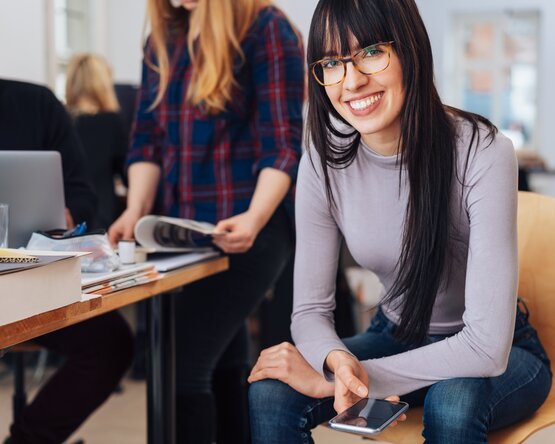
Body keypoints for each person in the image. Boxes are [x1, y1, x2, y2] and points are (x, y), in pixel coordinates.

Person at [247, 1, 552, 443]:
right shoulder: (323, 158)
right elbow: (310, 311)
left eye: (371, 52)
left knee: (454, 401)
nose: (351, 82)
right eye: (332, 62)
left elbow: (485, 347)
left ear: (410, 49)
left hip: (501, 351)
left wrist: (350, 381)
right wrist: (336, 361)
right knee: (272, 393)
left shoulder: (483, 151)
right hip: (396, 333)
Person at [107, 0, 304, 442]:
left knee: (178, 369)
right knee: (222, 364)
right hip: (184, 233)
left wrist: (253, 217)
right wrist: (135, 209)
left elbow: (283, 144)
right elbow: (147, 140)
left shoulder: (266, 29)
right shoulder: (164, 39)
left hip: (254, 227)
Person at [0, 78, 133, 444]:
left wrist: (66, 217)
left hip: (31, 282)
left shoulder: (36, 103)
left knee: (110, 344)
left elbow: (82, 195)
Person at [65, 53, 128, 230]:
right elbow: (127, 175)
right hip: (103, 220)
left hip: (69, 221)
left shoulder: (61, 123)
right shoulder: (111, 122)